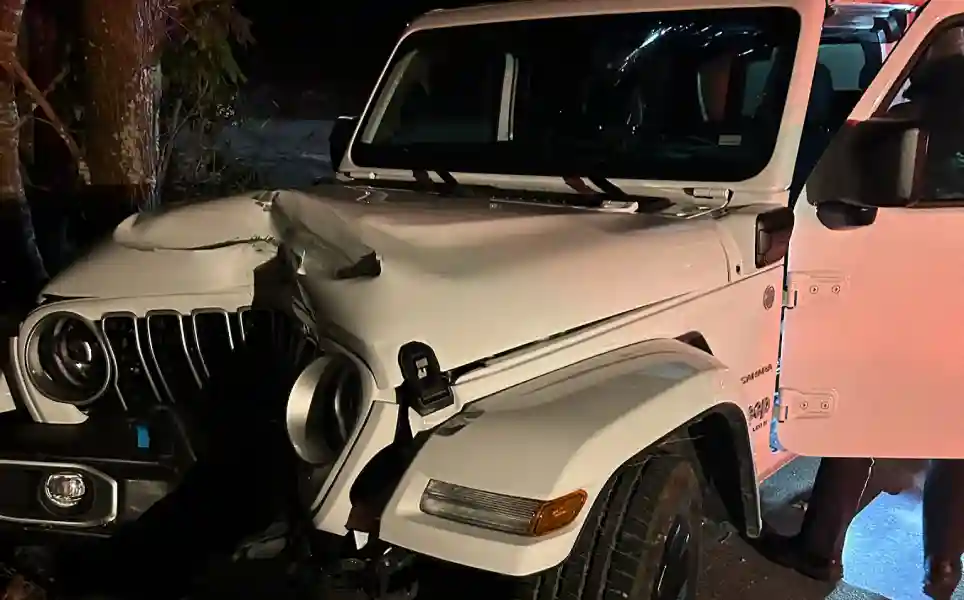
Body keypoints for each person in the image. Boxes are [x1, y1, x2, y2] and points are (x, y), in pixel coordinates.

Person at [758, 27, 964, 600]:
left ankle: (820, 547)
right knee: (957, 423)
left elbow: (843, 198)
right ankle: (943, 568)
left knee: (867, 404)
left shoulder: (922, 107)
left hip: (913, 277)